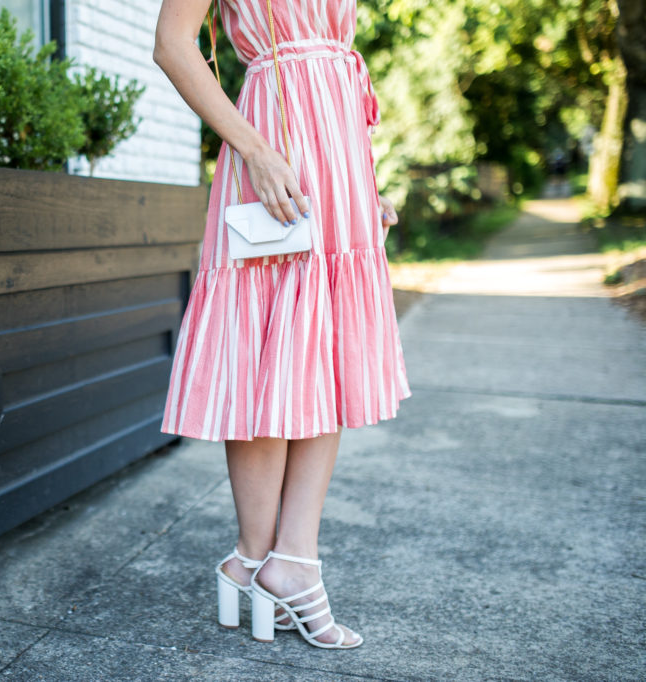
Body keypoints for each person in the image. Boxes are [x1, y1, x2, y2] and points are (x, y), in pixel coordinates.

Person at [154, 0, 410, 649]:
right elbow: (173, 44)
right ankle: (265, 554)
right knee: (264, 345)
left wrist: (363, 173)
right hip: (272, 146)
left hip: (340, 151)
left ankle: (280, 559)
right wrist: (256, 151)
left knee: (325, 349)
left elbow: (336, 62)